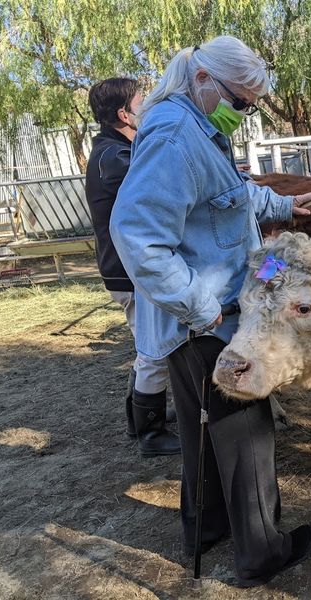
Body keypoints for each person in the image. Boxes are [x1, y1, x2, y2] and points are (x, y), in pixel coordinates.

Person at [109, 36, 311, 587]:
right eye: (241, 102)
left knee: (205, 438)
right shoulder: (177, 137)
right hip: (210, 321)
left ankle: (205, 528)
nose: (242, 114)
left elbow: (232, 198)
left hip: (207, 317)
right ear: (204, 80)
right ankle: (262, 552)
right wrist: (208, 314)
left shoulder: (199, 130)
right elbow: (138, 237)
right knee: (249, 433)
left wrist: (286, 206)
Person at [84, 77, 181, 457]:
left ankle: (140, 416)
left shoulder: (117, 150)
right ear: (125, 113)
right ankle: (150, 432)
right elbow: (161, 186)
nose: (149, 107)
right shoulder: (117, 158)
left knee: (148, 347)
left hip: (127, 268)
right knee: (154, 351)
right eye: (143, 101)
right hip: (129, 270)